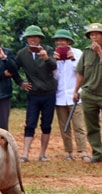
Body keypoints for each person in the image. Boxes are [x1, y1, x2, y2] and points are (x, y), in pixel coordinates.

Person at [15, 25, 57, 162]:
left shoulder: (48, 50)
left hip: (49, 93)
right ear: (26, 39)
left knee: (46, 124)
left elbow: (54, 66)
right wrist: (21, 83)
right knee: (30, 123)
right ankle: (25, 154)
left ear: (40, 38)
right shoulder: (22, 54)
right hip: (33, 94)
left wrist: (46, 57)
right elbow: (13, 69)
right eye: (30, 37)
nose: (32, 39)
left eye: (35, 37)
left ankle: (42, 153)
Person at [52, 29, 90, 162]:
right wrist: (54, 62)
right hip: (60, 96)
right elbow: (55, 76)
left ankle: (84, 151)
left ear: (68, 41)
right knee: (64, 126)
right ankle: (69, 152)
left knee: (78, 125)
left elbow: (82, 72)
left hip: (75, 94)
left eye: (62, 40)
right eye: (57, 40)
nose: (60, 42)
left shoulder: (78, 53)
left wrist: (72, 59)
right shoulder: (54, 55)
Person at [74, 23, 102, 163]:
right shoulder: (86, 52)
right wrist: (76, 90)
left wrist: (100, 53)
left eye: (97, 34)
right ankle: (98, 154)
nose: (94, 37)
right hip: (89, 93)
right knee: (92, 126)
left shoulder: (97, 51)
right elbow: (81, 73)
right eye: (91, 35)